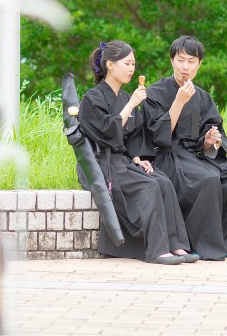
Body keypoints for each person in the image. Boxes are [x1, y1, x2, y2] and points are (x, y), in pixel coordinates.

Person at [77, 40, 197, 265]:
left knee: (162, 182)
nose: (132, 69)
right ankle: (156, 250)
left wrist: (137, 159)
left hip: (123, 161)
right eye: (127, 63)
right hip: (99, 163)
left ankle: (175, 244)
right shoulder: (92, 98)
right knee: (149, 186)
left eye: (133, 64)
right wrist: (131, 104)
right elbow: (106, 132)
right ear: (110, 65)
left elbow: (134, 136)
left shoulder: (124, 97)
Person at [144, 36, 227, 261]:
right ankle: (198, 245)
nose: (185, 66)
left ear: (199, 64)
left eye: (191, 61)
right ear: (172, 61)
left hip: (196, 157)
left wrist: (208, 141)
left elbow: (212, 134)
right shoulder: (155, 92)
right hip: (168, 157)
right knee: (206, 178)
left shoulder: (202, 96)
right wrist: (178, 101)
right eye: (180, 60)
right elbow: (158, 137)